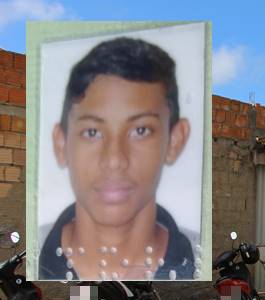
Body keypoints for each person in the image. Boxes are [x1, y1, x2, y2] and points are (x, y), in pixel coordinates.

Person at [39, 37, 196, 281]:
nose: (114, 160)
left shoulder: (204, 257)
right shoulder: (29, 254)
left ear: (175, 141)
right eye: (92, 132)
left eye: (140, 130)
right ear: (61, 144)